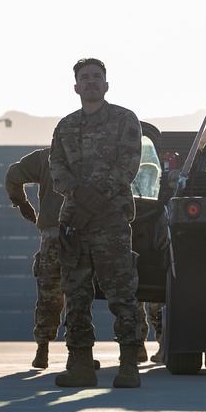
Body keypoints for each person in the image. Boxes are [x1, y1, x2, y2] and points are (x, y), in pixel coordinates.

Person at [50, 57, 145, 388]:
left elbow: (128, 164)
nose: (91, 81)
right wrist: (78, 192)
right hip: (76, 224)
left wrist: (93, 199)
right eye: (85, 77)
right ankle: (80, 365)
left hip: (111, 222)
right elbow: (57, 169)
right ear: (76, 87)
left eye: (97, 77)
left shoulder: (124, 120)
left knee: (121, 293)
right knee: (75, 294)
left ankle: (130, 364)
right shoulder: (65, 126)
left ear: (107, 84)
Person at [5, 148, 65, 369]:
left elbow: (13, 175)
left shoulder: (46, 157)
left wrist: (22, 204)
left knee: (49, 294)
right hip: (84, 235)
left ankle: (43, 349)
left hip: (53, 236)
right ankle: (80, 353)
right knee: (81, 294)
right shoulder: (93, 155)